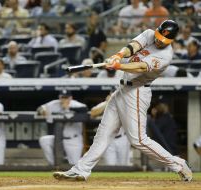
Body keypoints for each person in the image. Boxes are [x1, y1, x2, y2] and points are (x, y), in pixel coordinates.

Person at [53, 20, 192, 182]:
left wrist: (118, 66)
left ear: (172, 40)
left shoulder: (166, 55)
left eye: (164, 40)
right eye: (159, 37)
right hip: (121, 90)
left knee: (138, 140)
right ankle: (81, 170)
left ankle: (178, 164)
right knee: (103, 133)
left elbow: (140, 67)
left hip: (137, 92)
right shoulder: (149, 34)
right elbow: (133, 46)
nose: (160, 41)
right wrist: (119, 55)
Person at [37, 90, 87, 165]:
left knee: (74, 165)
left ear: (71, 98)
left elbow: (85, 110)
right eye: (62, 97)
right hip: (59, 138)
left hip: (73, 140)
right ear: (59, 97)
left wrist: (69, 108)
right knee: (44, 140)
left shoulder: (76, 104)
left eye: (66, 98)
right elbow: (40, 108)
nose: (64, 99)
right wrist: (42, 110)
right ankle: (53, 164)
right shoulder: (55, 104)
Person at [90, 90, 131, 166]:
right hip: (108, 139)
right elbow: (92, 113)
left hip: (122, 138)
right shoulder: (105, 104)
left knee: (123, 166)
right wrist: (106, 103)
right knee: (110, 165)